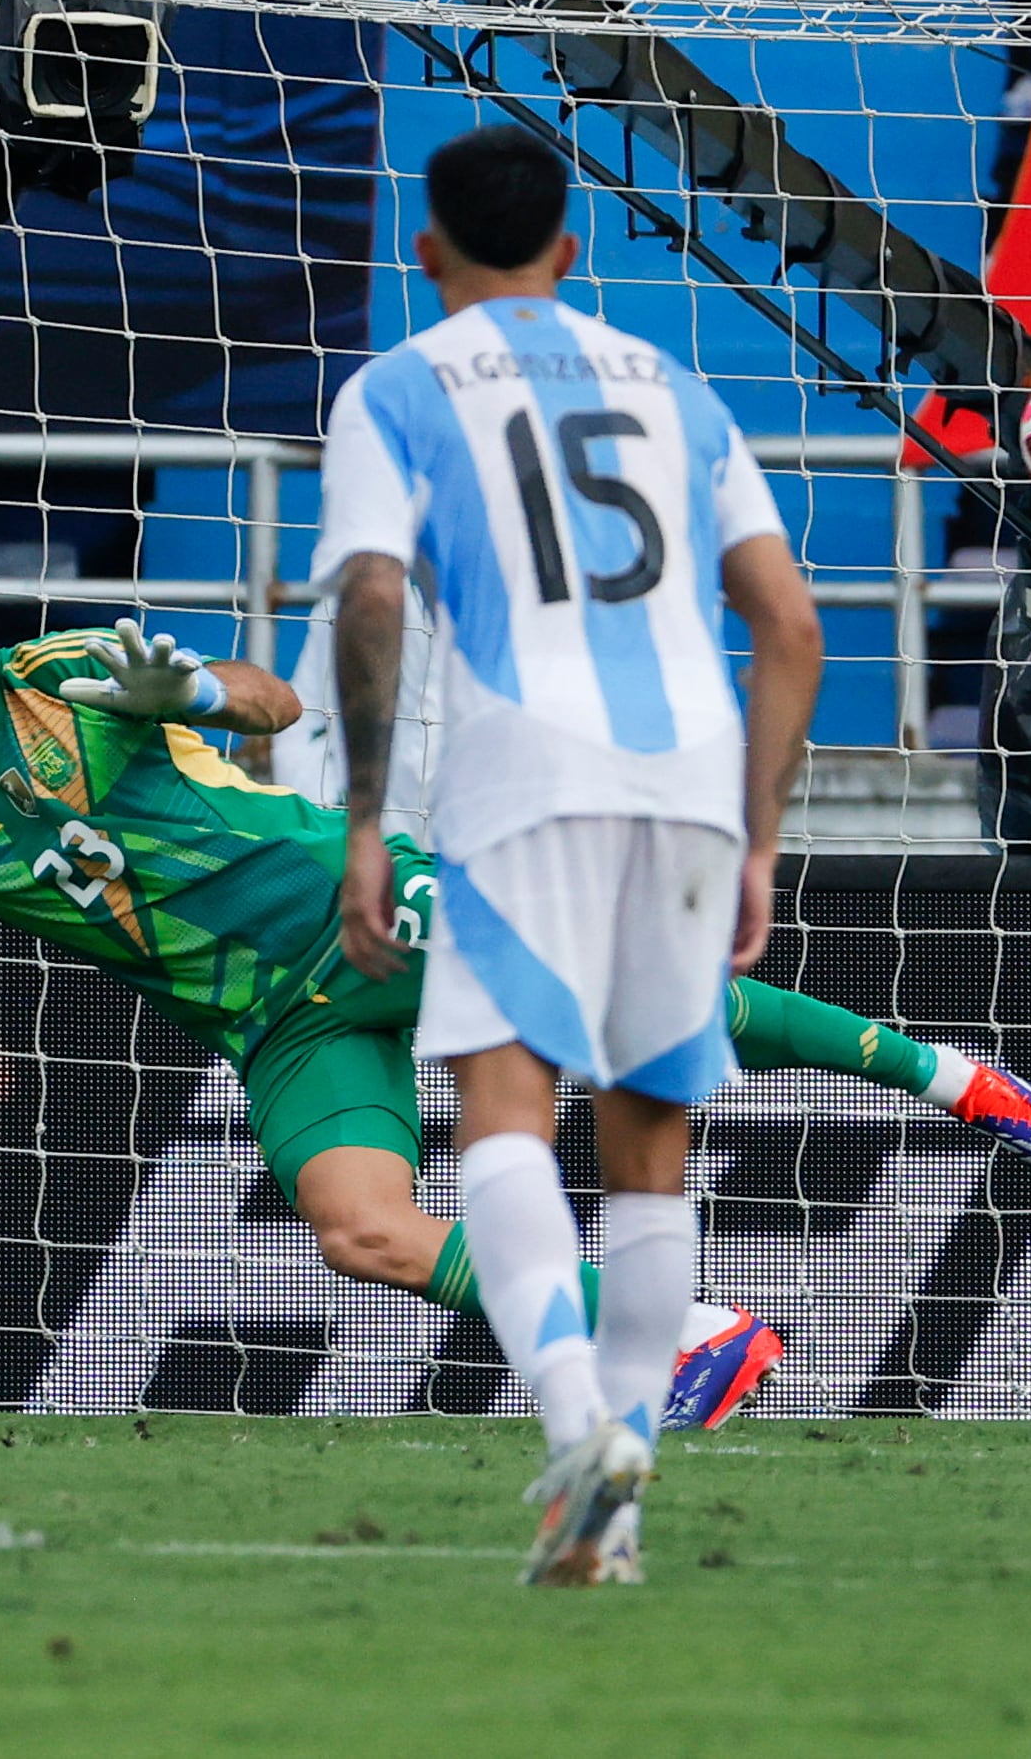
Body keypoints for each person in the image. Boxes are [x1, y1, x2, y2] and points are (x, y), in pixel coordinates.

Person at [0, 558, 1031, 1443]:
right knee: (358, 1229)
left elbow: (276, 701)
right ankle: (685, 1334)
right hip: (285, 1023)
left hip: (357, 902)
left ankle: (957, 1078)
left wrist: (188, 693)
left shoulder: (73, 664)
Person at [317, 122, 819, 1587]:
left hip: (518, 781)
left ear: (426, 254)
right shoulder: (673, 386)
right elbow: (791, 625)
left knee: (502, 1126)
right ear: (571, 252)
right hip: (688, 788)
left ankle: (575, 1424)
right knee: (650, 1153)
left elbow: (367, 596)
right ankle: (626, 1498)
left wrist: (363, 819)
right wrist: (762, 836)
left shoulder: (397, 388)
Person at [275, 587, 1031, 1175]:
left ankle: (949, 1081)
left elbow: (768, 633)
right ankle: (668, 1343)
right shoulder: (393, 537)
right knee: (363, 1226)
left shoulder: (579, 557)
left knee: (577, 1069)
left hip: (462, 863)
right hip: (309, 909)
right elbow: (306, 714)